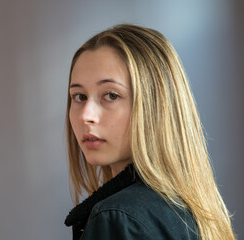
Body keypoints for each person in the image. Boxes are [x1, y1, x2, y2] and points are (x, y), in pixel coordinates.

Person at [64, 24, 235, 240]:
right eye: (79, 96)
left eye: (111, 95)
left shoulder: (117, 218)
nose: (85, 115)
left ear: (156, 105)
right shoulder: (192, 210)